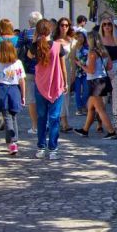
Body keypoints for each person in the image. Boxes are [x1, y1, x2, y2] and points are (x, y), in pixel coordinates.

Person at [28, 18, 67, 160]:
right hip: (56, 84)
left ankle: (41, 147)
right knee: (54, 118)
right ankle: (53, 149)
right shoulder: (57, 46)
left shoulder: (36, 46)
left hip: (40, 85)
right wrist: (66, 83)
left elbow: (29, 56)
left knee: (41, 117)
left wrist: (35, 40)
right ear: (51, 30)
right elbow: (63, 67)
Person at [74, 30, 117, 139]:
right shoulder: (104, 51)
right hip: (102, 79)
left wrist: (80, 65)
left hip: (95, 82)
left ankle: (111, 131)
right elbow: (110, 66)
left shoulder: (92, 53)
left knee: (100, 109)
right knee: (91, 107)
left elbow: (91, 70)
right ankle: (85, 130)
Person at [0, 40, 25, 155]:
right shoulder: (18, 63)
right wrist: (23, 95)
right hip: (15, 90)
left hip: (3, 90)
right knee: (13, 116)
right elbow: (22, 80)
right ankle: (13, 141)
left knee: (7, 117)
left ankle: (12, 142)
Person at [18, 12, 42, 135]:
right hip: (43, 68)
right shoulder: (45, 34)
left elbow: (17, 48)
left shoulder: (25, 33)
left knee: (31, 99)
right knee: (43, 97)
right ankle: (44, 123)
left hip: (29, 68)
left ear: (29, 22)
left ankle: (35, 126)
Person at [54, 17, 75, 133]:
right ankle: (63, 121)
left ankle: (63, 120)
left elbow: (73, 58)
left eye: (66, 25)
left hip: (68, 67)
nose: (64, 27)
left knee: (66, 96)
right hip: (57, 69)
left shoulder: (71, 41)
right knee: (58, 95)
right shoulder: (54, 40)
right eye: (62, 25)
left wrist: (73, 72)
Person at [72, 29, 90, 115]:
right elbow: (72, 59)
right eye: (78, 37)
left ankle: (84, 106)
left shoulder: (87, 48)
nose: (80, 38)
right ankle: (79, 108)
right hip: (76, 72)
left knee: (86, 91)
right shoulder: (73, 48)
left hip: (86, 72)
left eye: (82, 37)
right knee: (77, 92)